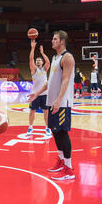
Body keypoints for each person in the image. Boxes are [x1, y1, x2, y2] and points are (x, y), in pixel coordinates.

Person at [27, 30, 75, 181]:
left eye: (55, 39)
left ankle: (69, 168)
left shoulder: (67, 57)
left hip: (62, 102)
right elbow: (50, 82)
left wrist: (59, 100)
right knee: (55, 132)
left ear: (62, 41)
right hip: (51, 101)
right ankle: (61, 161)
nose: (52, 41)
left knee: (62, 133)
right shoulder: (55, 58)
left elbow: (66, 80)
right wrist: (36, 93)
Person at [26, 40, 51, 137]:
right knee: (32, 112)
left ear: (42, 62)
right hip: (35, 95)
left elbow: (48, 62)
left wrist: (42, 53)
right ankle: (30, 127)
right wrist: (32, 48)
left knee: (46, 112)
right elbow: (30, 60)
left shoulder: (44, 69)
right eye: (37, 60)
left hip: (45, 94)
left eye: (40, 60)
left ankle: (47, 128)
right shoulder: (34, 70)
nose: (38, 61)